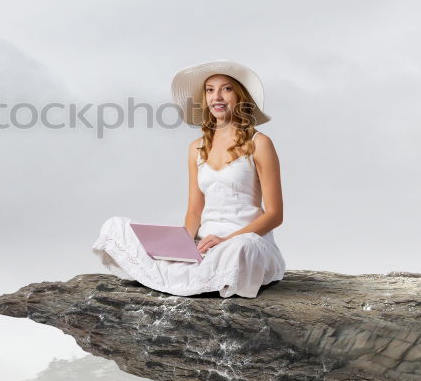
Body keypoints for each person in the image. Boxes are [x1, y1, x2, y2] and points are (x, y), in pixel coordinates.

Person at [91, 59, 286, 298]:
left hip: (243, 241)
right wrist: (183, 244)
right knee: (115, 225)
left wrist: (226, 239)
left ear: (240, 96)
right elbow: (195, 211)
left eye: (226, 89)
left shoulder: (260, 143)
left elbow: (275, 215)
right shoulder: (196, 148)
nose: (217, 97)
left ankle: (203, 273)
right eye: (210, 90)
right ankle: (190, 269)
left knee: (242, 248)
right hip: (204, 243)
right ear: (204, 99)